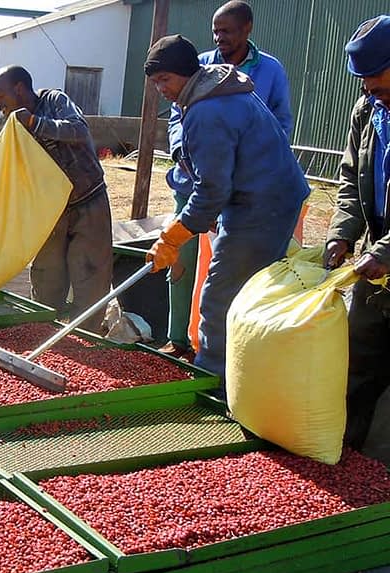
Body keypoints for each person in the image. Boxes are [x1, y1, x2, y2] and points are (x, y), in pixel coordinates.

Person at [144, 34, 309, 379]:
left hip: (262, 206)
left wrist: (173, 237)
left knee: (219, 296)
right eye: (156, 82)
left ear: (186, 73)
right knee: (249, 289)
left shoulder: (207, 110)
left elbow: (211, 189)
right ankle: (247, 372)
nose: (161, 89)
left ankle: (213, 380)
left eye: (165, 80)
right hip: (268, 196)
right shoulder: (217, 89)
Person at [0, 65, 113, 331]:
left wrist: (35, 124)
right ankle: (45, 339)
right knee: (47, 279)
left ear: (19, 88)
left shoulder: (53, 101)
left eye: (0, 95)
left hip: (88, 201)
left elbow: (79, 130)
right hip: (50, 211)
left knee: (90, 277)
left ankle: (84, 344)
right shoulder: (10, 125)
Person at [324, 15, 390, 449]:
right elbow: (351, 178)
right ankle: (346, 449)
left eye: (380, 84)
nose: (371, 92)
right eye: (365, 84)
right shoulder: (368, 108)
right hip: (378, 246)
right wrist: (342, 233)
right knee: (359, 347)